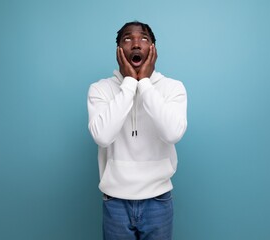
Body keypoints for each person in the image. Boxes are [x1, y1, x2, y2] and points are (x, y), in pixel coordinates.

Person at [87, 21, 187, 240]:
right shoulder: (100, 89)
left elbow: (172, 134)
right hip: (115, 201)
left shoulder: (173, 88)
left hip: (158, 199)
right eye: (127, 39)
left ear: (153, 49)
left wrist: (145, 85)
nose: (135, 44)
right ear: (118, 51)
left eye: (143, 38)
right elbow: (102, 137)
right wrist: (130, 83)